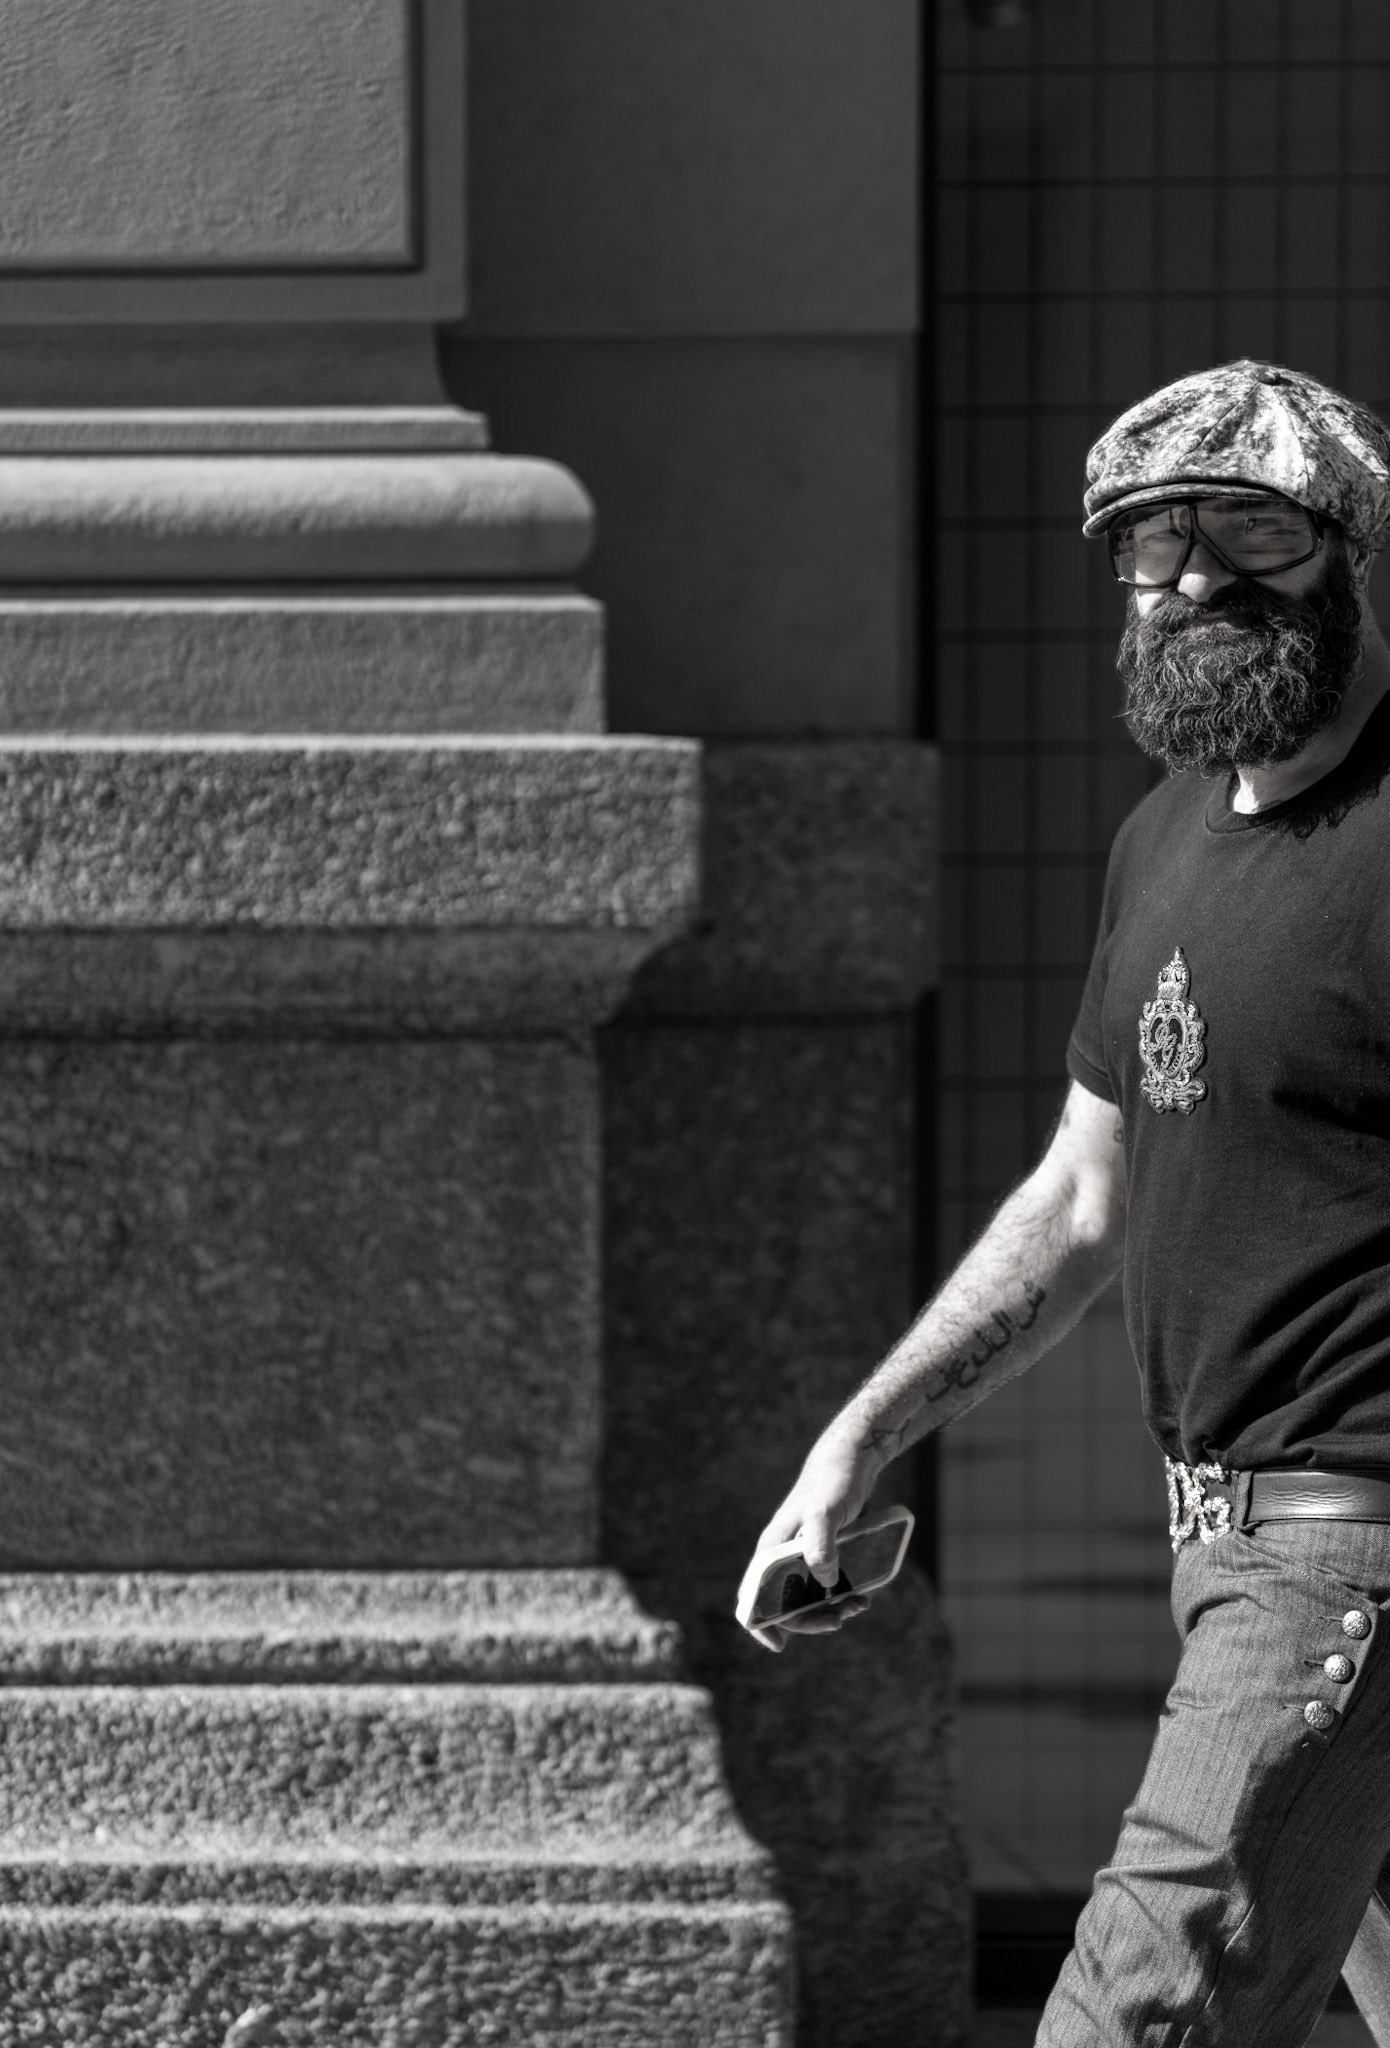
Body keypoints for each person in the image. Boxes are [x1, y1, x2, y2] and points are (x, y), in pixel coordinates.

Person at [738, 359, 1390, 2048]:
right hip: (1222, 1538)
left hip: (1338, 1551)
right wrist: (860, 1438)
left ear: (1348, 550)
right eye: (1147, 549)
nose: (1191, 586)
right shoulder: (1158, 841)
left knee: (1131, 2011)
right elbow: (1078, 1197)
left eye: (1244, 534)